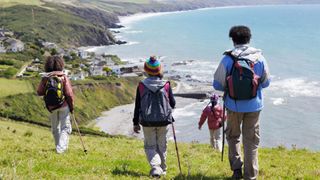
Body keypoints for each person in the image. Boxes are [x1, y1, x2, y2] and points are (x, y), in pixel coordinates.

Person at [213, 25, 271, 180]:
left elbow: (217, 85)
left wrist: (231, 86)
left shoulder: (227, 59)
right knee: (251, 140)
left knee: (233, 137)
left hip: (233, 105)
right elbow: (266, 83)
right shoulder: (259, 58)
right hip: (254, 105)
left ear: (233, 40)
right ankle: (250, 175)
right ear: (249, 38)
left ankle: (236, 170)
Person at [133, 56, 176, 178]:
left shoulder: (141, 85)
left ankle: (156, 167)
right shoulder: (166, 84)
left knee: (150, 146)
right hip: (164, 120)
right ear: (159, 70)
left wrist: (135, 123)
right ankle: (163, 169)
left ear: (146, 71)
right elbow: (173, 103)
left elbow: (137, 106)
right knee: (162, 145)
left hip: (147, 121)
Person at [37, 56, 74, 154]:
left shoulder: (45, 77)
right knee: (65, 128)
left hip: (51, 107)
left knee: (55, 128)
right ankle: (60, 149)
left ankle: (58, 147)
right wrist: (71, 107)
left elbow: (39, 92)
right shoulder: (63, 76)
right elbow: (69, 94)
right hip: (64, 106)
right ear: (61, 64)